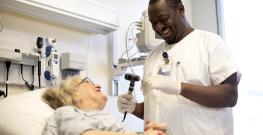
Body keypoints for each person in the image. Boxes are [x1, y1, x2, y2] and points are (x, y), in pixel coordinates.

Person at [117, 0, 241, 135]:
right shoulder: (152, 56)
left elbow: (230, 95)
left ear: (180, 10)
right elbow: (155, 109)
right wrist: (134, 107)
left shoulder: (210, 43)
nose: (158, 27)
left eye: (163, 19)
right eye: (153, 23)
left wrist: (179, 87)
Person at [42, 76, 167, 135]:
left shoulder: (106, 118)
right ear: (73, 93)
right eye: (87, 82)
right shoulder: (65, 113)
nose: (98, 85)